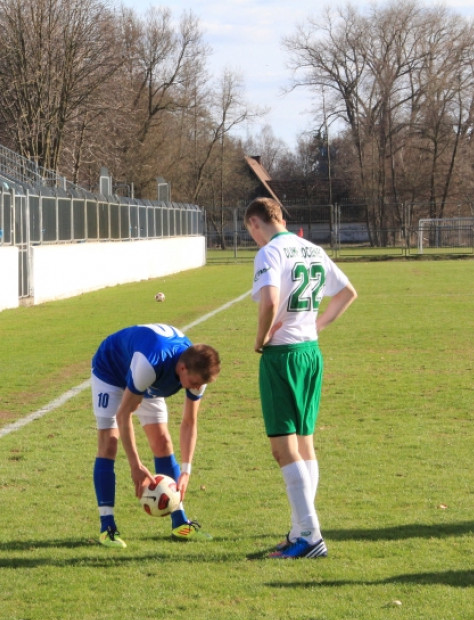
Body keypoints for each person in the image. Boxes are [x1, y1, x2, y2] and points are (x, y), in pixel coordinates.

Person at [243, 197, 357, 560]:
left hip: (283, 355)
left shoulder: (270, 252)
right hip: (310, 353)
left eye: (250, 232)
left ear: (255, 223)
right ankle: (299, 529)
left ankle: (309, 535)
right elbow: (347, 293)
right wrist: (316, 326)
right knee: (305, 443)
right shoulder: (312, 249)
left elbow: (270, 302)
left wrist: (260, 339)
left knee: (283, 446)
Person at [90, 324, 221, 547]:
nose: (196, 387)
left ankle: (180, 523)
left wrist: (186, 470)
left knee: (162, 441)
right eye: (194, 383)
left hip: (148, 379)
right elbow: (124, 415)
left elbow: (189, 422)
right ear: (182, 368)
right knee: (109, 443)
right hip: (111, 369)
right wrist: (135, 465)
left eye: (200, 384)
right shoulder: (150, 363)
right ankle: (107, 528)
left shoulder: (197, 374)